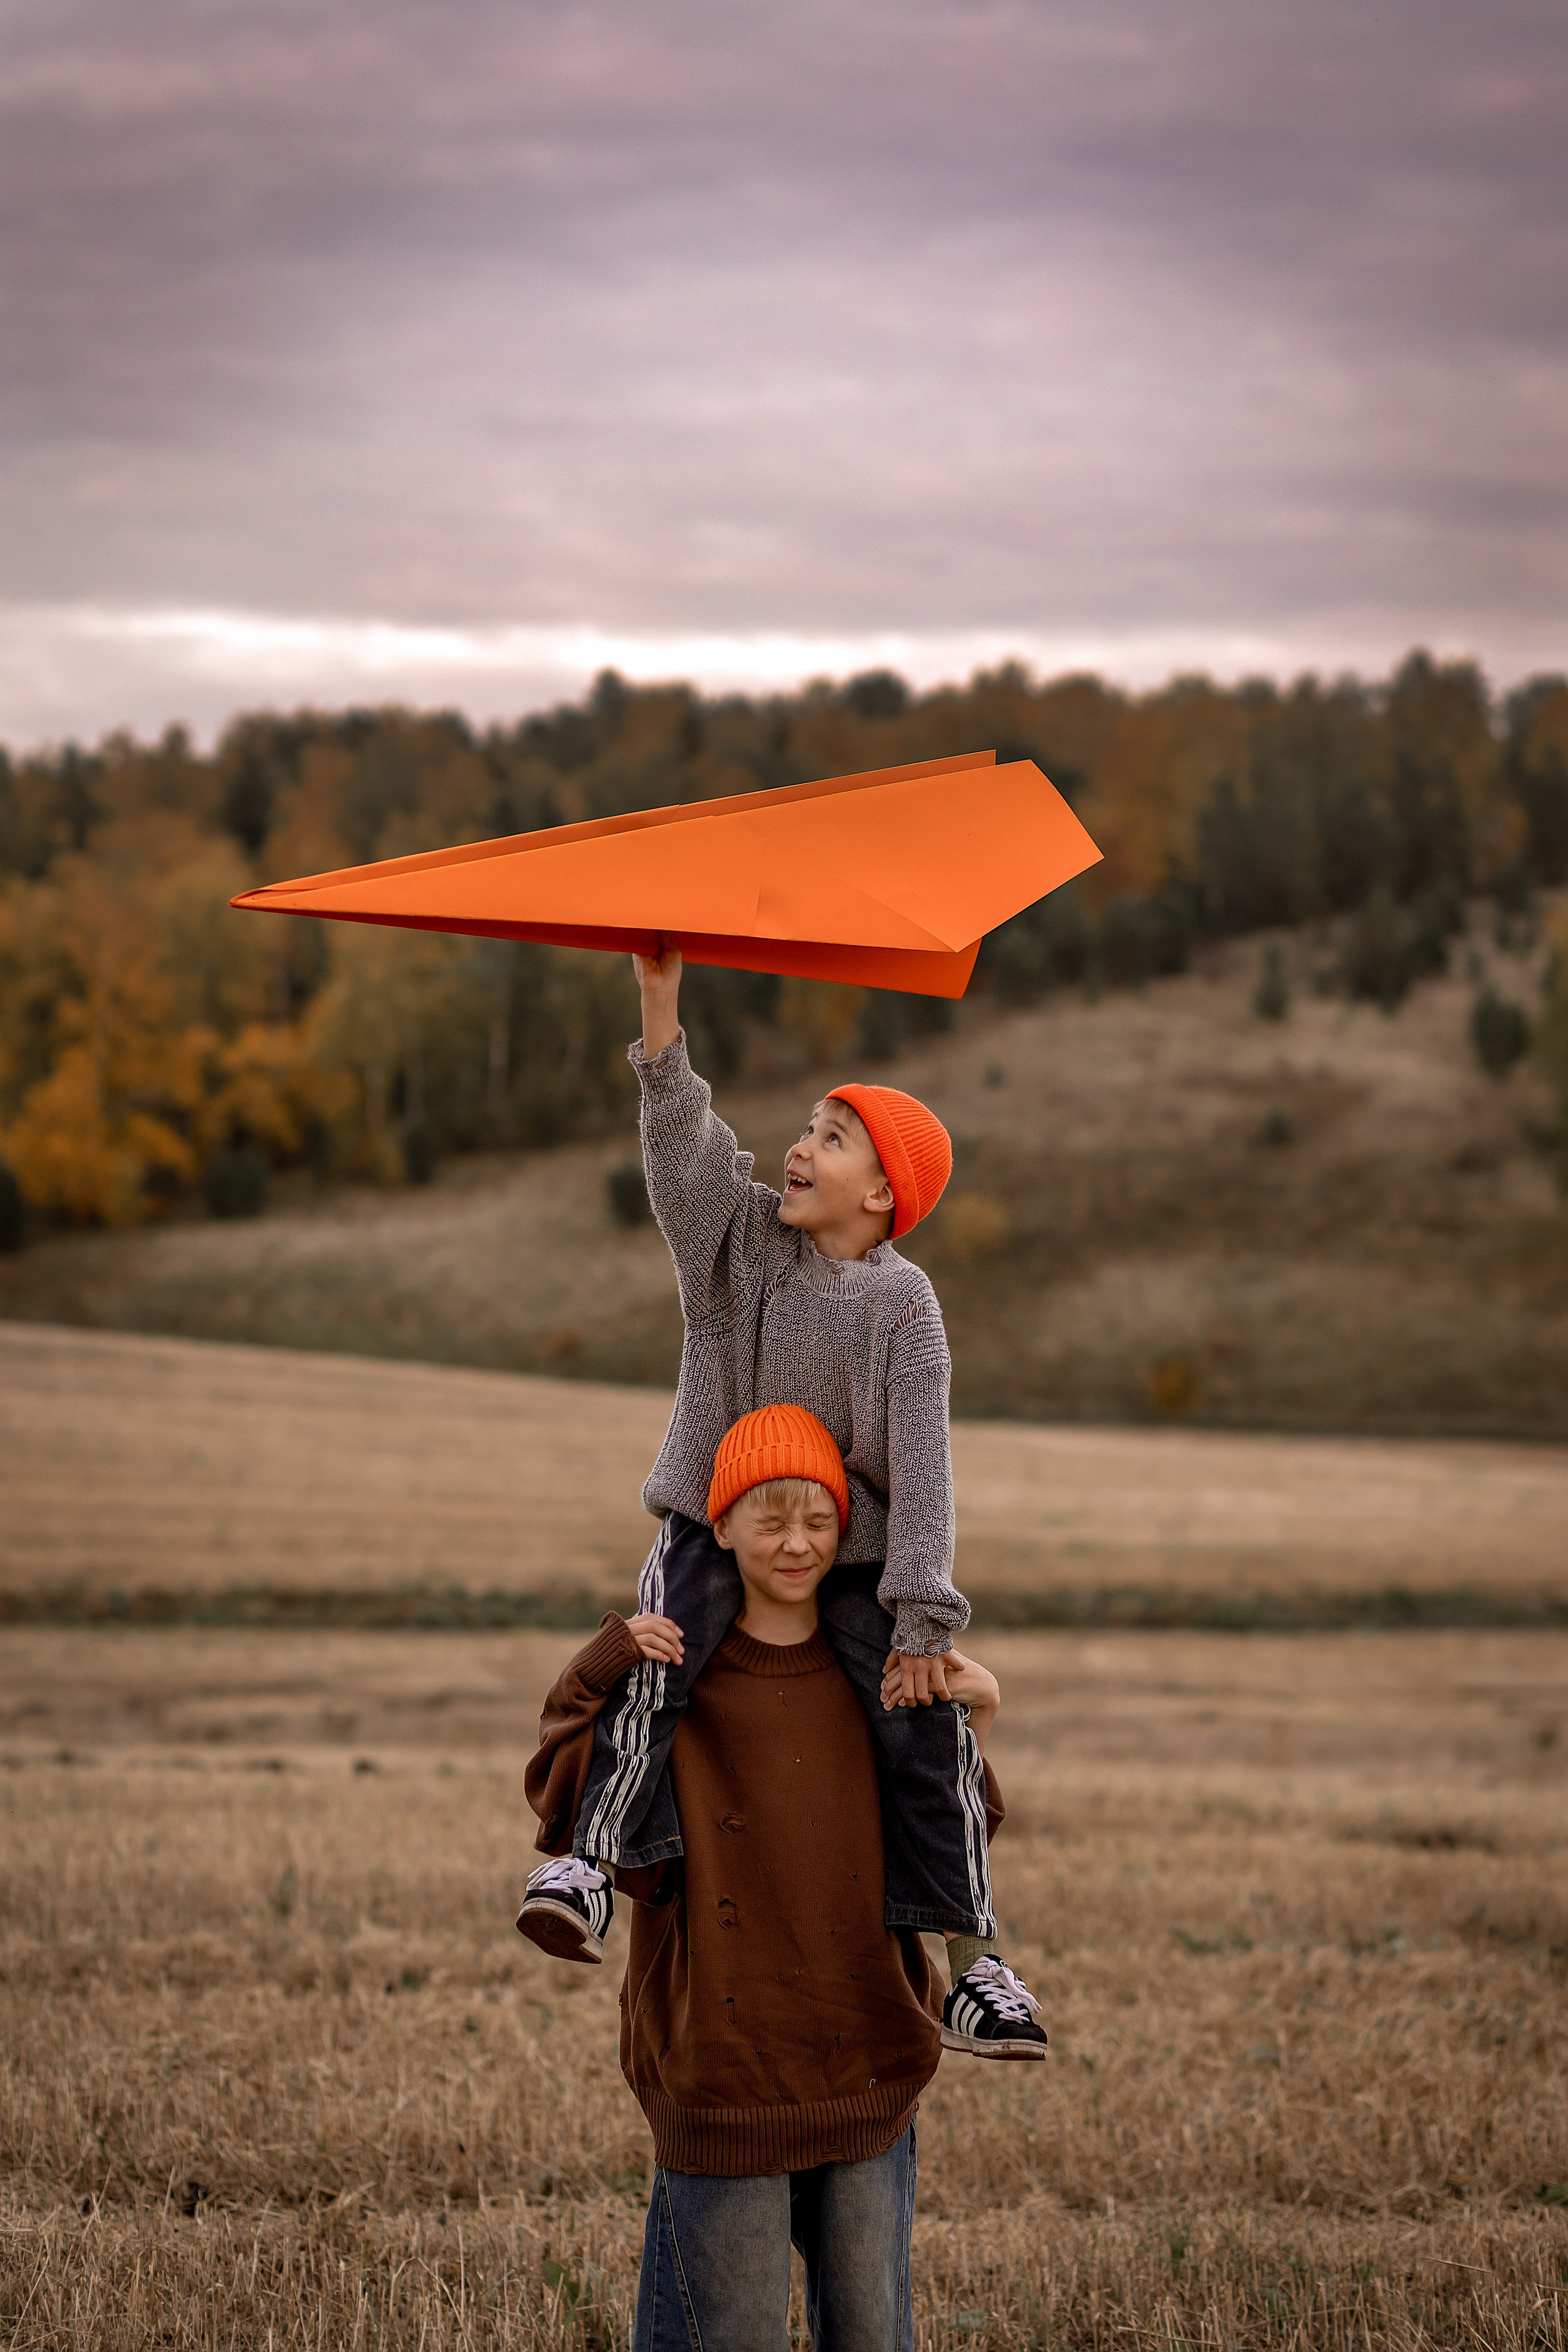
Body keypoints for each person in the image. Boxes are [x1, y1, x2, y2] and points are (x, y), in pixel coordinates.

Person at [516, 942, 1044, 2054]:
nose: (800, 1147)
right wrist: (661, 1013)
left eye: (832, 1137)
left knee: (924, 1725)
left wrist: (920, 1623)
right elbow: (684, 1160)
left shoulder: (907, 1312)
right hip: (716, 1523)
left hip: (849, 1555)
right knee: (661, 1660)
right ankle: (589, 1867)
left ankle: (975, 1965)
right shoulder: (741, 1247)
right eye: (807, 1128)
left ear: (885, 1191)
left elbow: (925, 1470)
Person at [520, 1415, 1041, 2351]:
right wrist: (604, 1659)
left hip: (868, 2048)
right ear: (718, 1527)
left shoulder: (882, 1675)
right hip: (722, 2061)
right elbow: (566, 1791)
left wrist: (984, 1714)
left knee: (872, 2337)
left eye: (818, 1520)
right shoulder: (677, 1677)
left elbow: (947, 1833)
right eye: (769, 1519)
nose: (796, 1543)